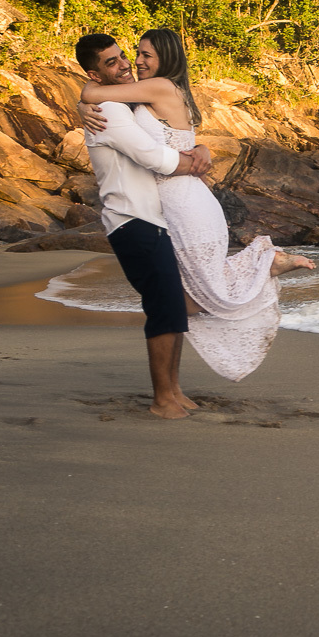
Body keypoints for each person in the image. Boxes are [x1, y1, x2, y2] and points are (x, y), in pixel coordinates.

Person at [77, 29, 315, 384]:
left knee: (191, 293)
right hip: (174, 205)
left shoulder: (157, 87)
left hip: (185, 204)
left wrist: (84, 101)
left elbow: (94, 94)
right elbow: (159, 132)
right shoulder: (145, 95)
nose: (134, 62)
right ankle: (263, 266)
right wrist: (199, 150)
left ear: (165, 59)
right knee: (185, 292)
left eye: (143, 56)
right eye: (130, 56)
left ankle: (265, 265)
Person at [74, 33, 212, 420]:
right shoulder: (112, 111)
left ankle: (173, 388)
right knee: (164, 306)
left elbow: (165, 131)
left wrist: (202, 148)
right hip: (133, 220)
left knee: (171, 307)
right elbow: (156, 158)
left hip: (150, 219)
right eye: (113, 62)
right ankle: (162, 398)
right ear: (94, 73)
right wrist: (199, 163)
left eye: (125, 57)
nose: (125, 65)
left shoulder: (121, 102)